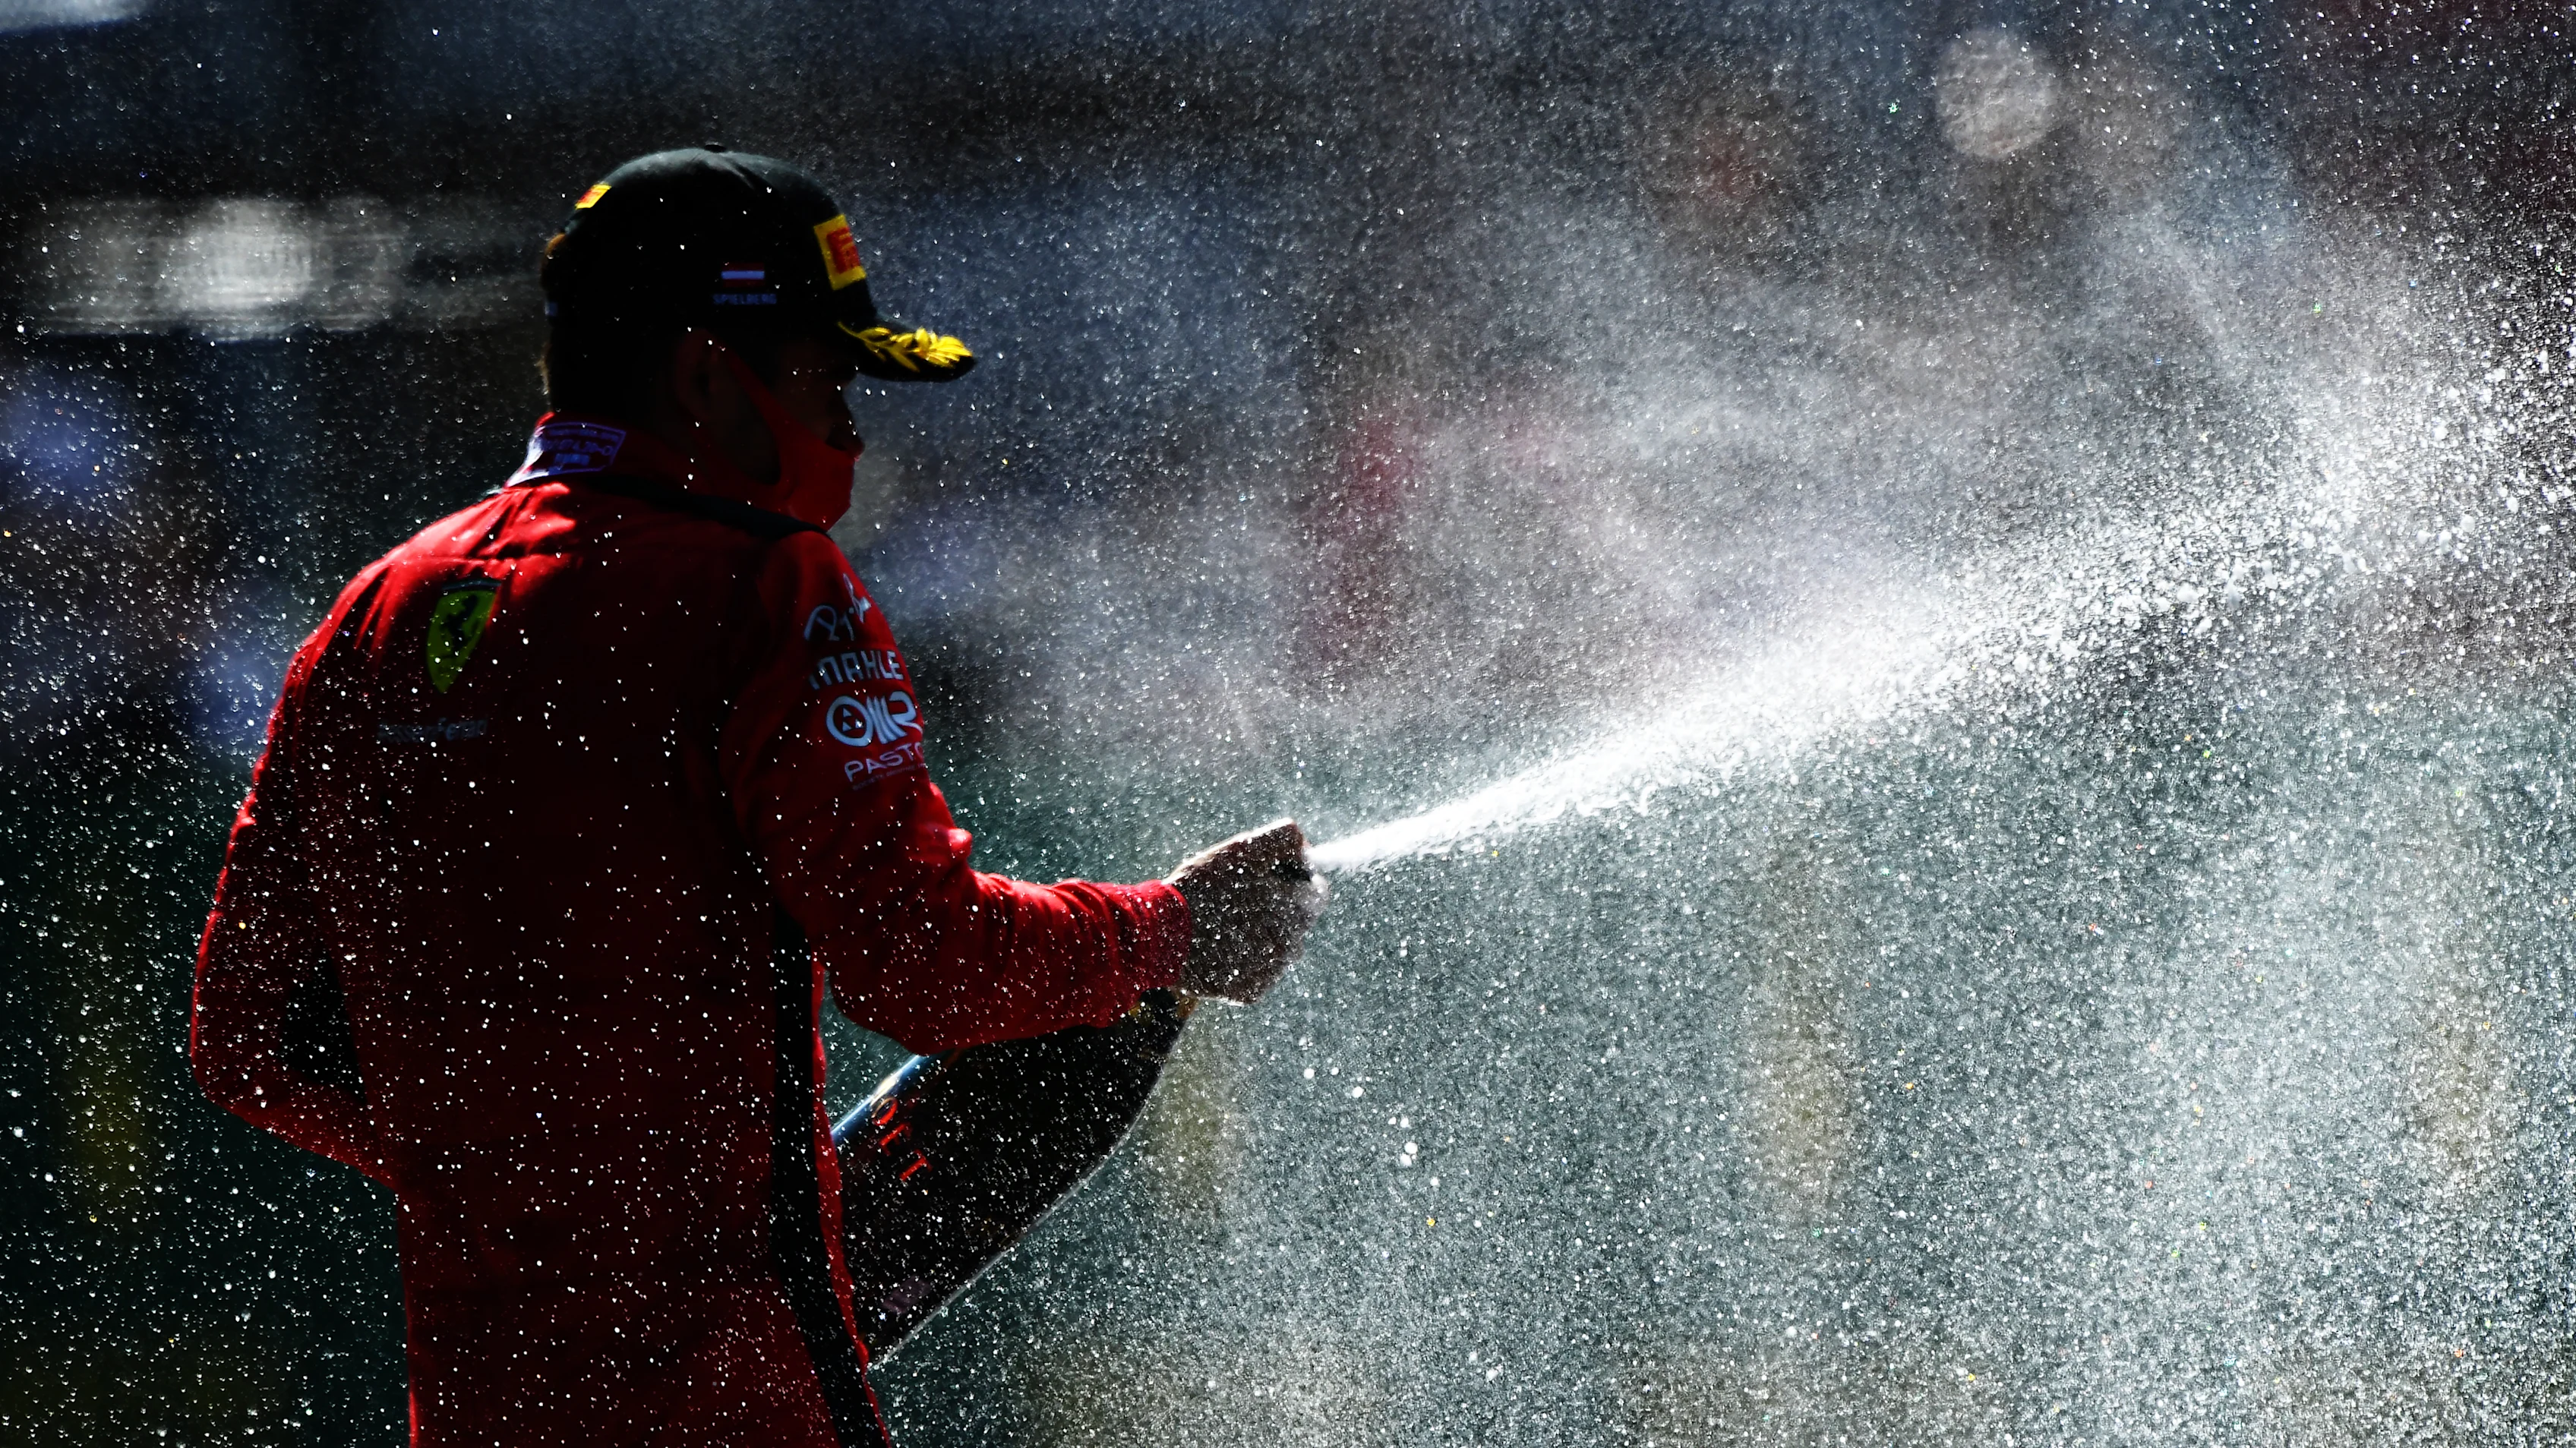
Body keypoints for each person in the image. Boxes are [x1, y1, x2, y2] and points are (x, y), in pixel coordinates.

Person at [188, 147, 1321, 1448]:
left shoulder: (367, 616)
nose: (849, 417)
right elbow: (930, 967)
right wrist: (1174, 932)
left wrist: (533, 1182)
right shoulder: (762, 584)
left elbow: (249, 1042)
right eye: (824, 371)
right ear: (702, 375)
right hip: (744, 1401)